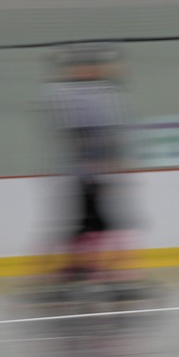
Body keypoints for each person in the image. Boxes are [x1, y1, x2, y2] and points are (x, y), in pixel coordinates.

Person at [34, 46, 144, 306]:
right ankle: (84, 272)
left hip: (94, 174)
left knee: (100, 226)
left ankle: (99, 271)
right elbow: (82, 136)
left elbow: (105, 138)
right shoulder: (85, 96)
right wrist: (98, 165)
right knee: (86, 226)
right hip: (84, 175)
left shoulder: (103, 94)